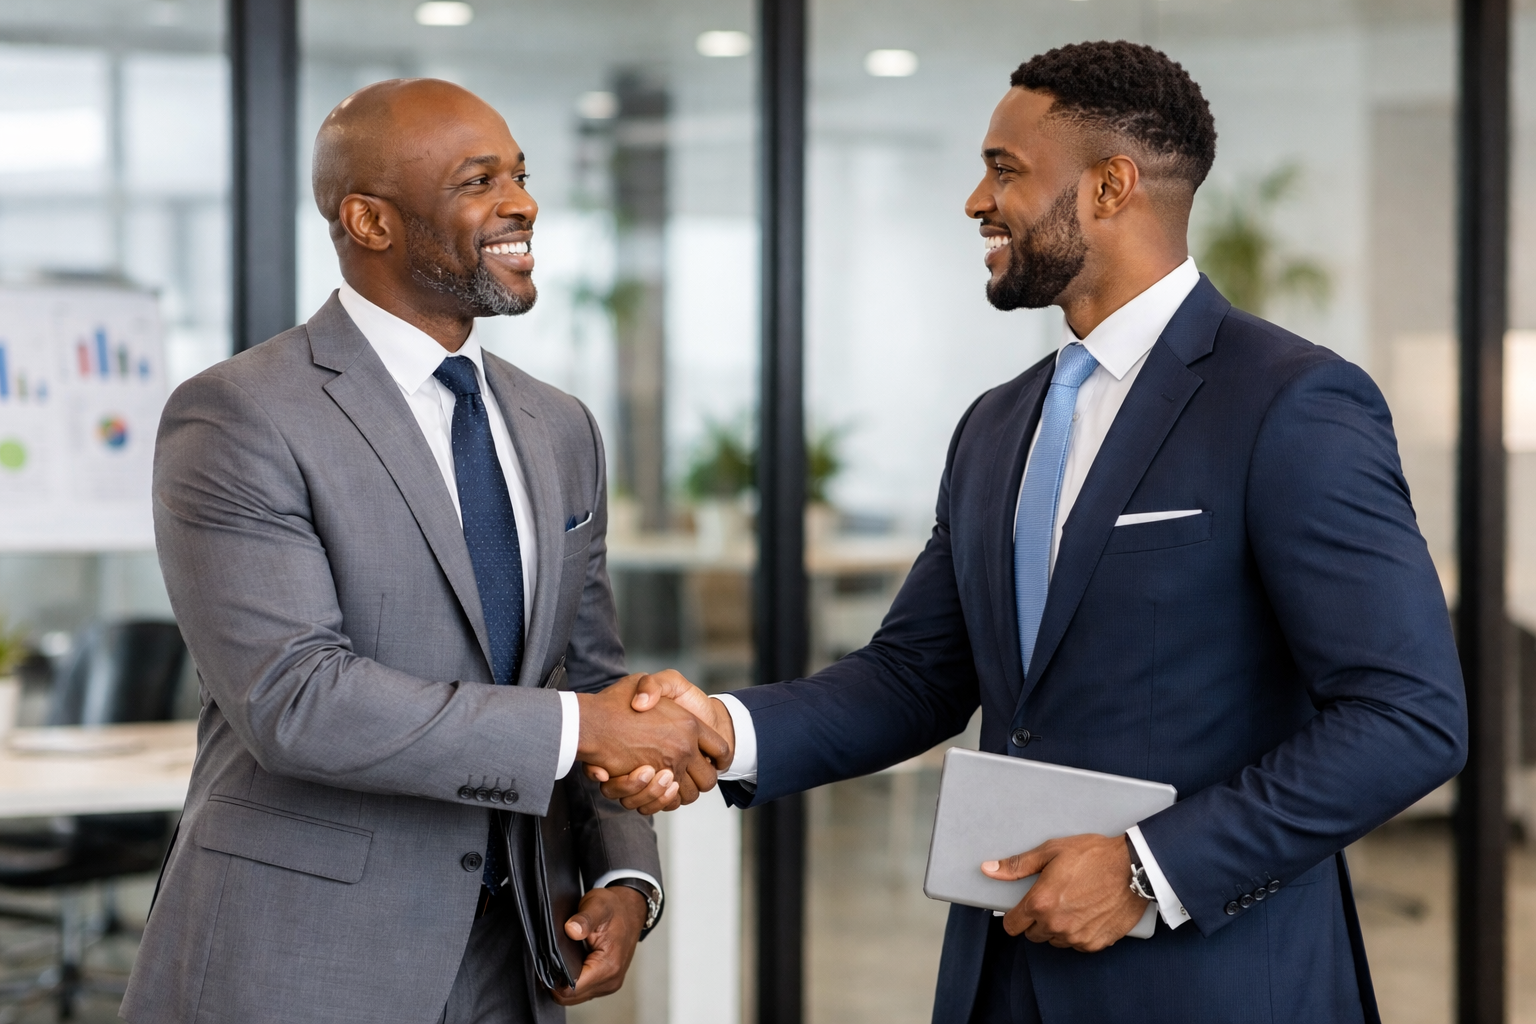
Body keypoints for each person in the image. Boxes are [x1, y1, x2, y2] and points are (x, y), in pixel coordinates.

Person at [598, 41, 1467, 1023]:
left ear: (1110, 186)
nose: (978, 200)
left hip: (1213, 986)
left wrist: (1145, 869)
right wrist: (725, 730)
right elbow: (917, 674)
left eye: (1004, 169)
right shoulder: (998, 423)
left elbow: (1409, 715)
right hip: (1000, 973)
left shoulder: (1292, 402)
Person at [122, 79, 729, 1024]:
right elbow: (295, 699)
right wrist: (583, 728)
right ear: (369, 220)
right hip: (302, 961)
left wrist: (622, 874)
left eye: (520, 175)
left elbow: (587, 671)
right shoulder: (240, 414)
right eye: (478, 181)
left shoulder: (560, 426)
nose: (522, 203)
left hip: (518, 956)